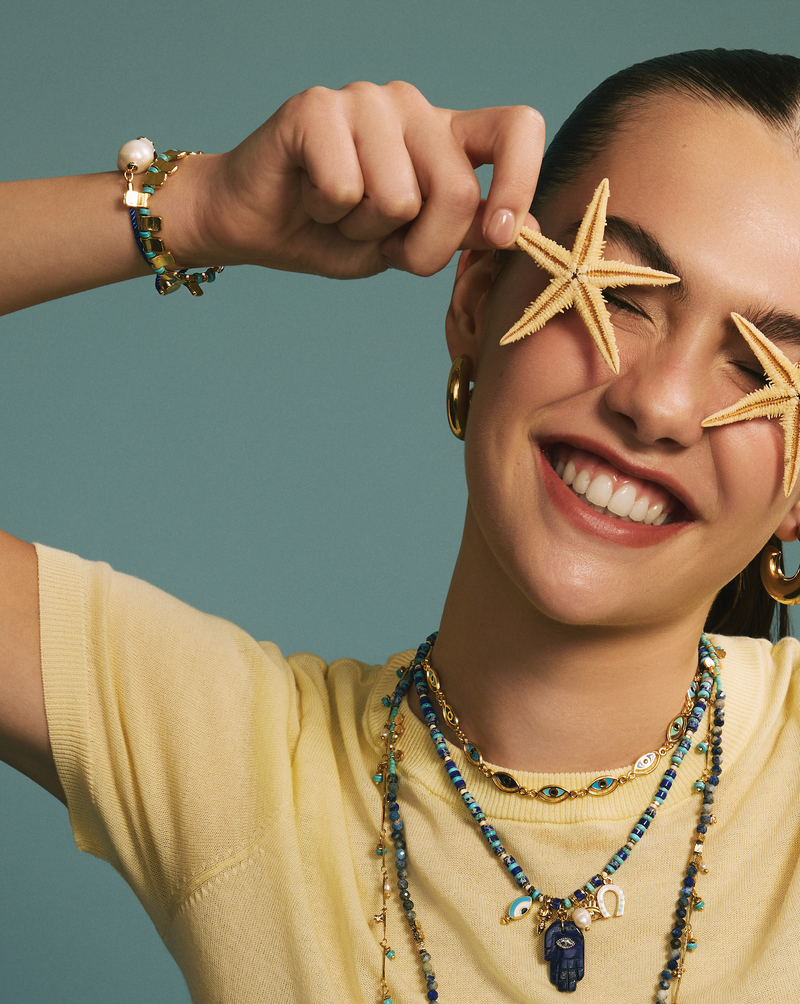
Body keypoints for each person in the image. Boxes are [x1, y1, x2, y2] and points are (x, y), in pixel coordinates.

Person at [1, 47, 799, 1002]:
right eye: (622, 294)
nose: (661, 405)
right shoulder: (235, 767)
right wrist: (200, 207)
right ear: (474, 303)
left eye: (758, 369)